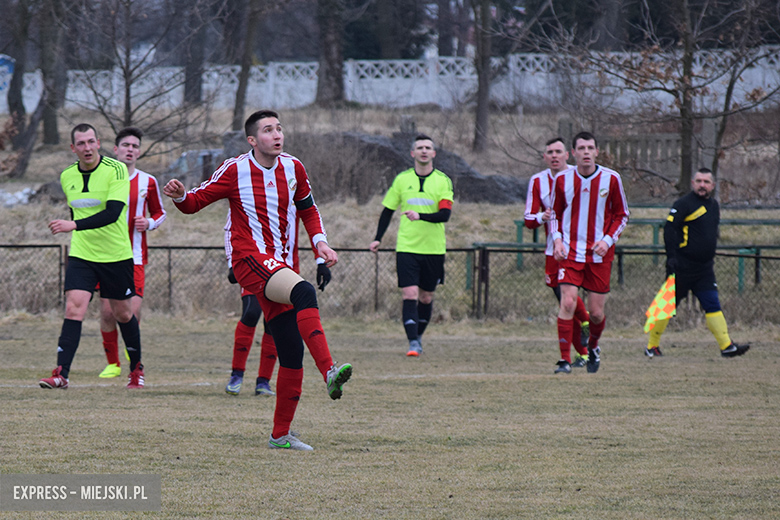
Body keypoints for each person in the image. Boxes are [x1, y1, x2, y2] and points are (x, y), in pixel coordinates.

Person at [163, 109, 351, 451]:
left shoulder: (294, 167)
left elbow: (308, 208)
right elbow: (195, 203)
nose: (277, 134)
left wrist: (320, 242)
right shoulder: (235, 169)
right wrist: (178, 196)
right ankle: (330, 371)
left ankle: (280, 435)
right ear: (252, 140)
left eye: (279, 128)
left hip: (281, 265)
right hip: (250, 260)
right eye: (268, 130)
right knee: (305, 292)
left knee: (291, 353)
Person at [39, 123, 146, 390]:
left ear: (98, 143)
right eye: (81, 144)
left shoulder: (116, 169)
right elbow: (78, 212)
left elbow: (112, 213)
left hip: (116, 254)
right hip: (82, 253)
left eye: (90, 142)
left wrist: (73, 226)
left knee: (122, 313)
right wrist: (75, 227)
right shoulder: (67, 176)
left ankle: (136, 369)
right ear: (73, 148)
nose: (87, 148)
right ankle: (61, 373)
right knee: (74, 307)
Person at [223, 213, 332, 397]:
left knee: (275, 324)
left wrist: (321, 261)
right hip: (254, 263)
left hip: (286, 269)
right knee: (251, 312)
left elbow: (311, 220)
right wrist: (231, 260)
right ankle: (237, 374)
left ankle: (263, 381)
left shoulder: (295, 188)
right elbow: (230, 226)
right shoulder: (248, 187)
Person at [646, 168, 750, 358]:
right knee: (667, 306)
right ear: (693, 183)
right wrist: (671, 257)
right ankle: (652, 346)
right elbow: (669, 229)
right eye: (699, 181)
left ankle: (727, 347)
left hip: (704, 269)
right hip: (682, 266)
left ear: (713, 185)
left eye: (706, 182)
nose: (702, 185)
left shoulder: (714, 205)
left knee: (712, 304)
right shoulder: (683, 204)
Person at [549, 131, 629, 374]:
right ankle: (564, 360)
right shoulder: (563, 179)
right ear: (573, 153)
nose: (586, 152)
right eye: (581, 148)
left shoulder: (611, 179)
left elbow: (622, 215)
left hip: (599, 254)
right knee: (568, 302)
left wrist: (607, 240)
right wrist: (557, 241)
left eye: (590, 148)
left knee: (595, 314)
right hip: (570, 252)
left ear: (596, 151)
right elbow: (554, 214)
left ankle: (593, 346)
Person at [369, 134, 454, 357]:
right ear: (412, 153)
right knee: (409, 294)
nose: (424, 151)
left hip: (434, 249)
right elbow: (387, 210)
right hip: (407, 248)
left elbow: (445, 215)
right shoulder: (401, 180)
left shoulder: (443, 181)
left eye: (428, 147)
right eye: (420, 147)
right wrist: (378, 237)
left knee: (426, 297)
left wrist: (420, 216)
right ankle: (413, 342)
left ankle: (418, 337)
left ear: (434, 153)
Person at [98, 127, 167, 379]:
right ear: (116, 149)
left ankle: (132, 352)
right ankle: (113, 363)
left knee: (130, 312)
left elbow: (160, 213)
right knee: (107, 312)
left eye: (135, 146)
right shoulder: (102, 178)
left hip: (134, 257)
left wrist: (148, 223)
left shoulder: (148, 181)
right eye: (126, 145)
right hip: (104, 255)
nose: (131, 150)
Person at [524, 137, 591, 372]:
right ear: (544, 157)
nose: (554, 155)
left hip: (580, 248)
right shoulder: (537, 181)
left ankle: (581, 332)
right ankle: (582, 352)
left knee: (568, 301)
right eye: (549, 152)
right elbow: (528, 218)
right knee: (565, 304)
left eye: (558, 151)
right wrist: (540, 217)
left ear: (567, 154)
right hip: (555, 250)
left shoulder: (580, 176)